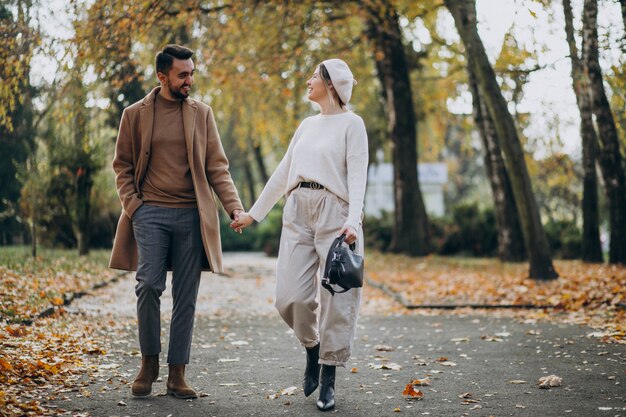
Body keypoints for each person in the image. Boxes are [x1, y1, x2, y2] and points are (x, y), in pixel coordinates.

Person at [231, 58, 368, 411]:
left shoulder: (353, 125)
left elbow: (357, 178)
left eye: (314, 76)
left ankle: (328, 375)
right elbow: (282, 172)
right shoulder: (306, 126)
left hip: (335, 214)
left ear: (331, 85)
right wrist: (253, 214)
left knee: (337, 299)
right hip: (297, 210)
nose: (308, 81)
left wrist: (354, 220)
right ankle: (312, 348)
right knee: (288, 297)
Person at [109, 44, 243, 399]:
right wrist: (134, 206)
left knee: (186, 296)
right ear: (162, 76)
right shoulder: (134, 114)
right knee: (148, 285)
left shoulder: (202, 113)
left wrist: (235, 209)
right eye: (183, 74)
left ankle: (176, 373)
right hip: (149, 212)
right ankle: (148, 364)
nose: (189, 80)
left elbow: (217, 166)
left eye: (192, 73)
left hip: (191, 215)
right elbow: (121, 165)